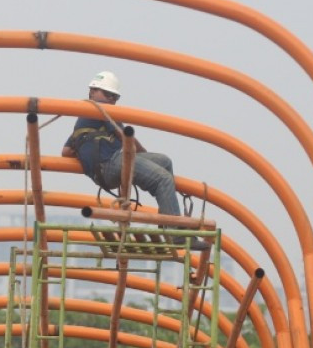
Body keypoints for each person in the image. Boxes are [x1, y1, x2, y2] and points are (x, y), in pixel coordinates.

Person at [63, 71, 209, 251]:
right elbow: (126, 138)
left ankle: (167, 221)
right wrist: (143, 163)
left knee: (164, 161)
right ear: (92, 91)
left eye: (114, 97)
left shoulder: (83, 119)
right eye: (107, 94)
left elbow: (66, 152)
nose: (111, 100)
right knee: (161, 178)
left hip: (106, 166)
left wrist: (88, 154)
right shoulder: (101, 109)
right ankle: (176, 234)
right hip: (110, 163)